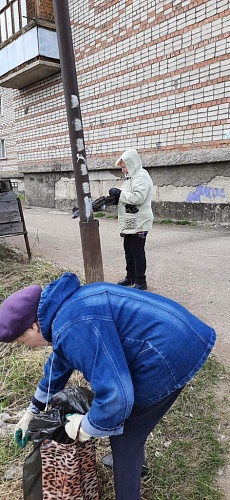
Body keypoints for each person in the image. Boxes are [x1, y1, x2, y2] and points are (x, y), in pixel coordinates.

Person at [0, 273, 216, 500]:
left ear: (34, 326)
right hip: (176, 331)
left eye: (23, 341)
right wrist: (32, 410)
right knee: (127, 425)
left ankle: (128, 484)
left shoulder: (73, 326)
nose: (29, 347)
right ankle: (131, 462)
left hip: (167, 352)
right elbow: (59, 362)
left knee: (125, 433)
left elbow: (117, 397)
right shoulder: (63, 310)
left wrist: (84, 427)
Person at [109, 148, 154, 290]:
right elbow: (126, 196)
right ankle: (131, 277)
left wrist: (120, 194)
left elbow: (138, 198)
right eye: (122, 167)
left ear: (132, 163)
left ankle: (141, 281)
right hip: (131, 221)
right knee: (128, 250)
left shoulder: (141, 176)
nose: (123, 170)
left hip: (140, 222)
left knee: (137, 252)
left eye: (124, 167)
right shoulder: (130, 178)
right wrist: (116, 197)